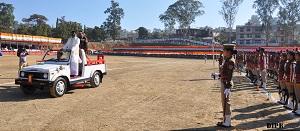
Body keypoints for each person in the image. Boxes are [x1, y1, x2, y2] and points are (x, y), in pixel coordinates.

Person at [217, 44, 237, 127]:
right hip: (224, 81)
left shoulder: (230, 61)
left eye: (224, 50)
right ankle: (225, 120)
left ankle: (227, 122)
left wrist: (228, 86)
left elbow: (229, 75)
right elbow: (223, 71)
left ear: (228, 51)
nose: (223, 52)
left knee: (226, 102)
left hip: (226, 83)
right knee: (224, 102)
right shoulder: (227, 60)